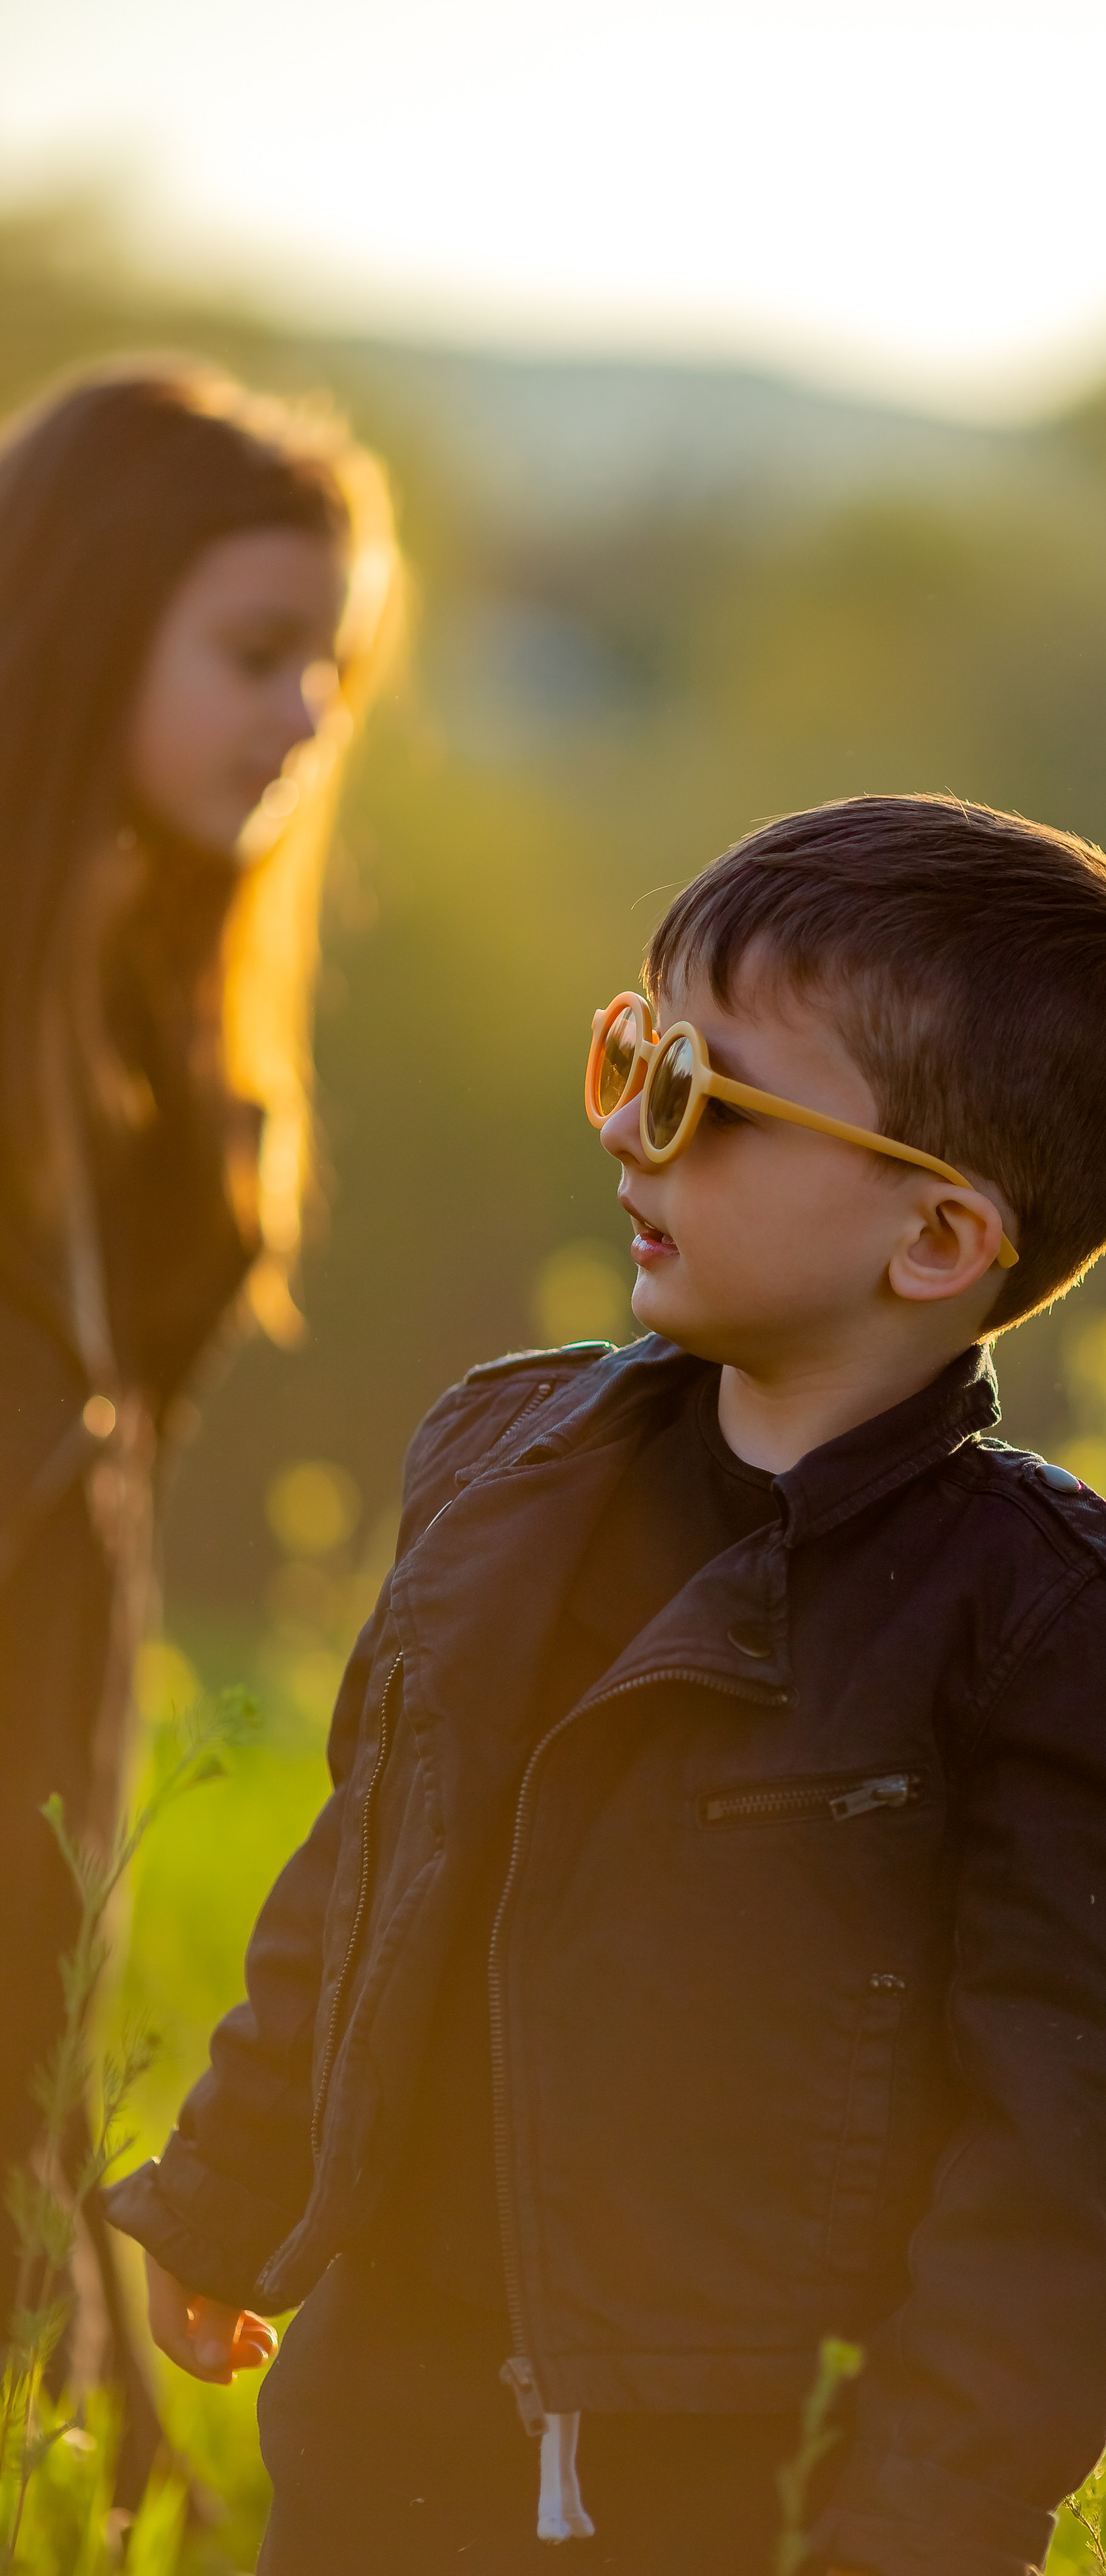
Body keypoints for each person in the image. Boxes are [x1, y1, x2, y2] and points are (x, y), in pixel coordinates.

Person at [109, 795, 1106, 2576]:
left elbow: (1059, 2161)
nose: (633, 1127)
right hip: (385, 2403)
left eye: (705, 1096)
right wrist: (233, 2189)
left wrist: (933, 2518)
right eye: (634, 1052)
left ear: (935, 1243)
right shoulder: (499, 1461)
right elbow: (369, 1859)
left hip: (732, 2475)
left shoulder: (1043, 1625)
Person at [0, 362, 398, 2419]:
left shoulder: (160, 1038)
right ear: (79, 634)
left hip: (37, 1940)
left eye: (329, 669)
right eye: (257, 654)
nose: (307, 718)